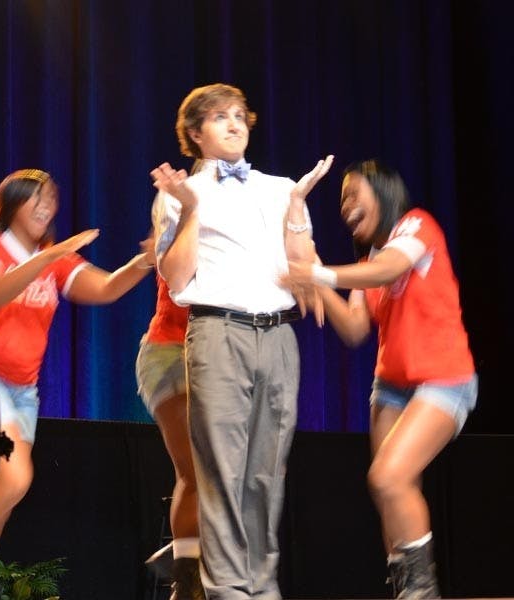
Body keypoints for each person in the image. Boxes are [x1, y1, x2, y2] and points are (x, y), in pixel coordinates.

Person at [0, 167, 155, 599]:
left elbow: (105, 288)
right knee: (16, 477)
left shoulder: (53, 258)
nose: (46, 206)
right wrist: (45, 258)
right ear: (11, 204)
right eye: (36, 198)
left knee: (5, 494)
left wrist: (145, 262)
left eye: (51, 198)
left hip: (23, 389)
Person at [150, 82, 332, 599]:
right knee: (222, 471)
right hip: (218, 332)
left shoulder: (278, 188)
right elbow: (176, 277)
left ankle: (261, 586)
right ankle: (229, 589)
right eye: (219, 117)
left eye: (239, 115)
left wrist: (297, 206)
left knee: (266, 472)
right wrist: (190, 210)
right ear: (195, 133)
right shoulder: (180, 192)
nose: (234, 124)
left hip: (277, 335)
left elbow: (303, 267)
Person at [281, 160, 477, 599]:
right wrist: (317, 278)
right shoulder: (366, 260)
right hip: (390, 387)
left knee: (387, 477)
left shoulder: (416, 226)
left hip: (444, 379)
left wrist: (318, 273)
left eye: (354, 193)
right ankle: (404, 591)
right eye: (341, 200)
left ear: (383, 191)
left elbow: (389, 269)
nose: (346, 206)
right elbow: (354, 329)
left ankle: (422, 594)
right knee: (390, 491)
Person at [136, 269, 200, 599]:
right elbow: (178, 281)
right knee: (196, 469)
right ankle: (187, 578)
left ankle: (190, 556)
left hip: (220, 361)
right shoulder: (183, 235)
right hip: (171, 353)